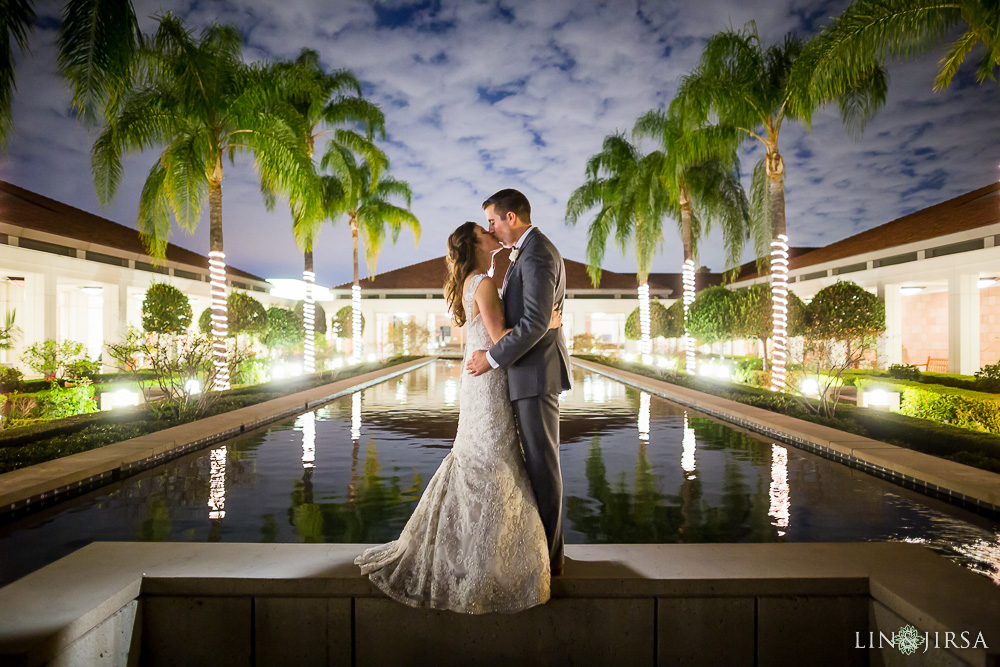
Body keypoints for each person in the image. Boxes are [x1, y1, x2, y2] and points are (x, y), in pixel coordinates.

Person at [355, 219, 562, 614]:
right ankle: (486, 559)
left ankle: (471, 552)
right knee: (490, 461)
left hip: (482, 382)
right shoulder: (482, 283)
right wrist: (546, 325)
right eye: (485, 231)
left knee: (480, 459)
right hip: (486, 382)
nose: (491, 231)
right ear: (476, 243)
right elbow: (501, 339)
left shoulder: (474, 281)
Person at [466, 188, 572, 576]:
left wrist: (491, 358)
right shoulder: (527, 254)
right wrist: (545, 321)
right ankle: (545, 552)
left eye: (493, 220)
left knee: (544, 466)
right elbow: (539, 317)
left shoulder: (539, 252)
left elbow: (533, 323)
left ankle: (552, 560)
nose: (492, 228)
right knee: (539, 465)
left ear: (512, 218)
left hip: (535, 374)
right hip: (527, 373)